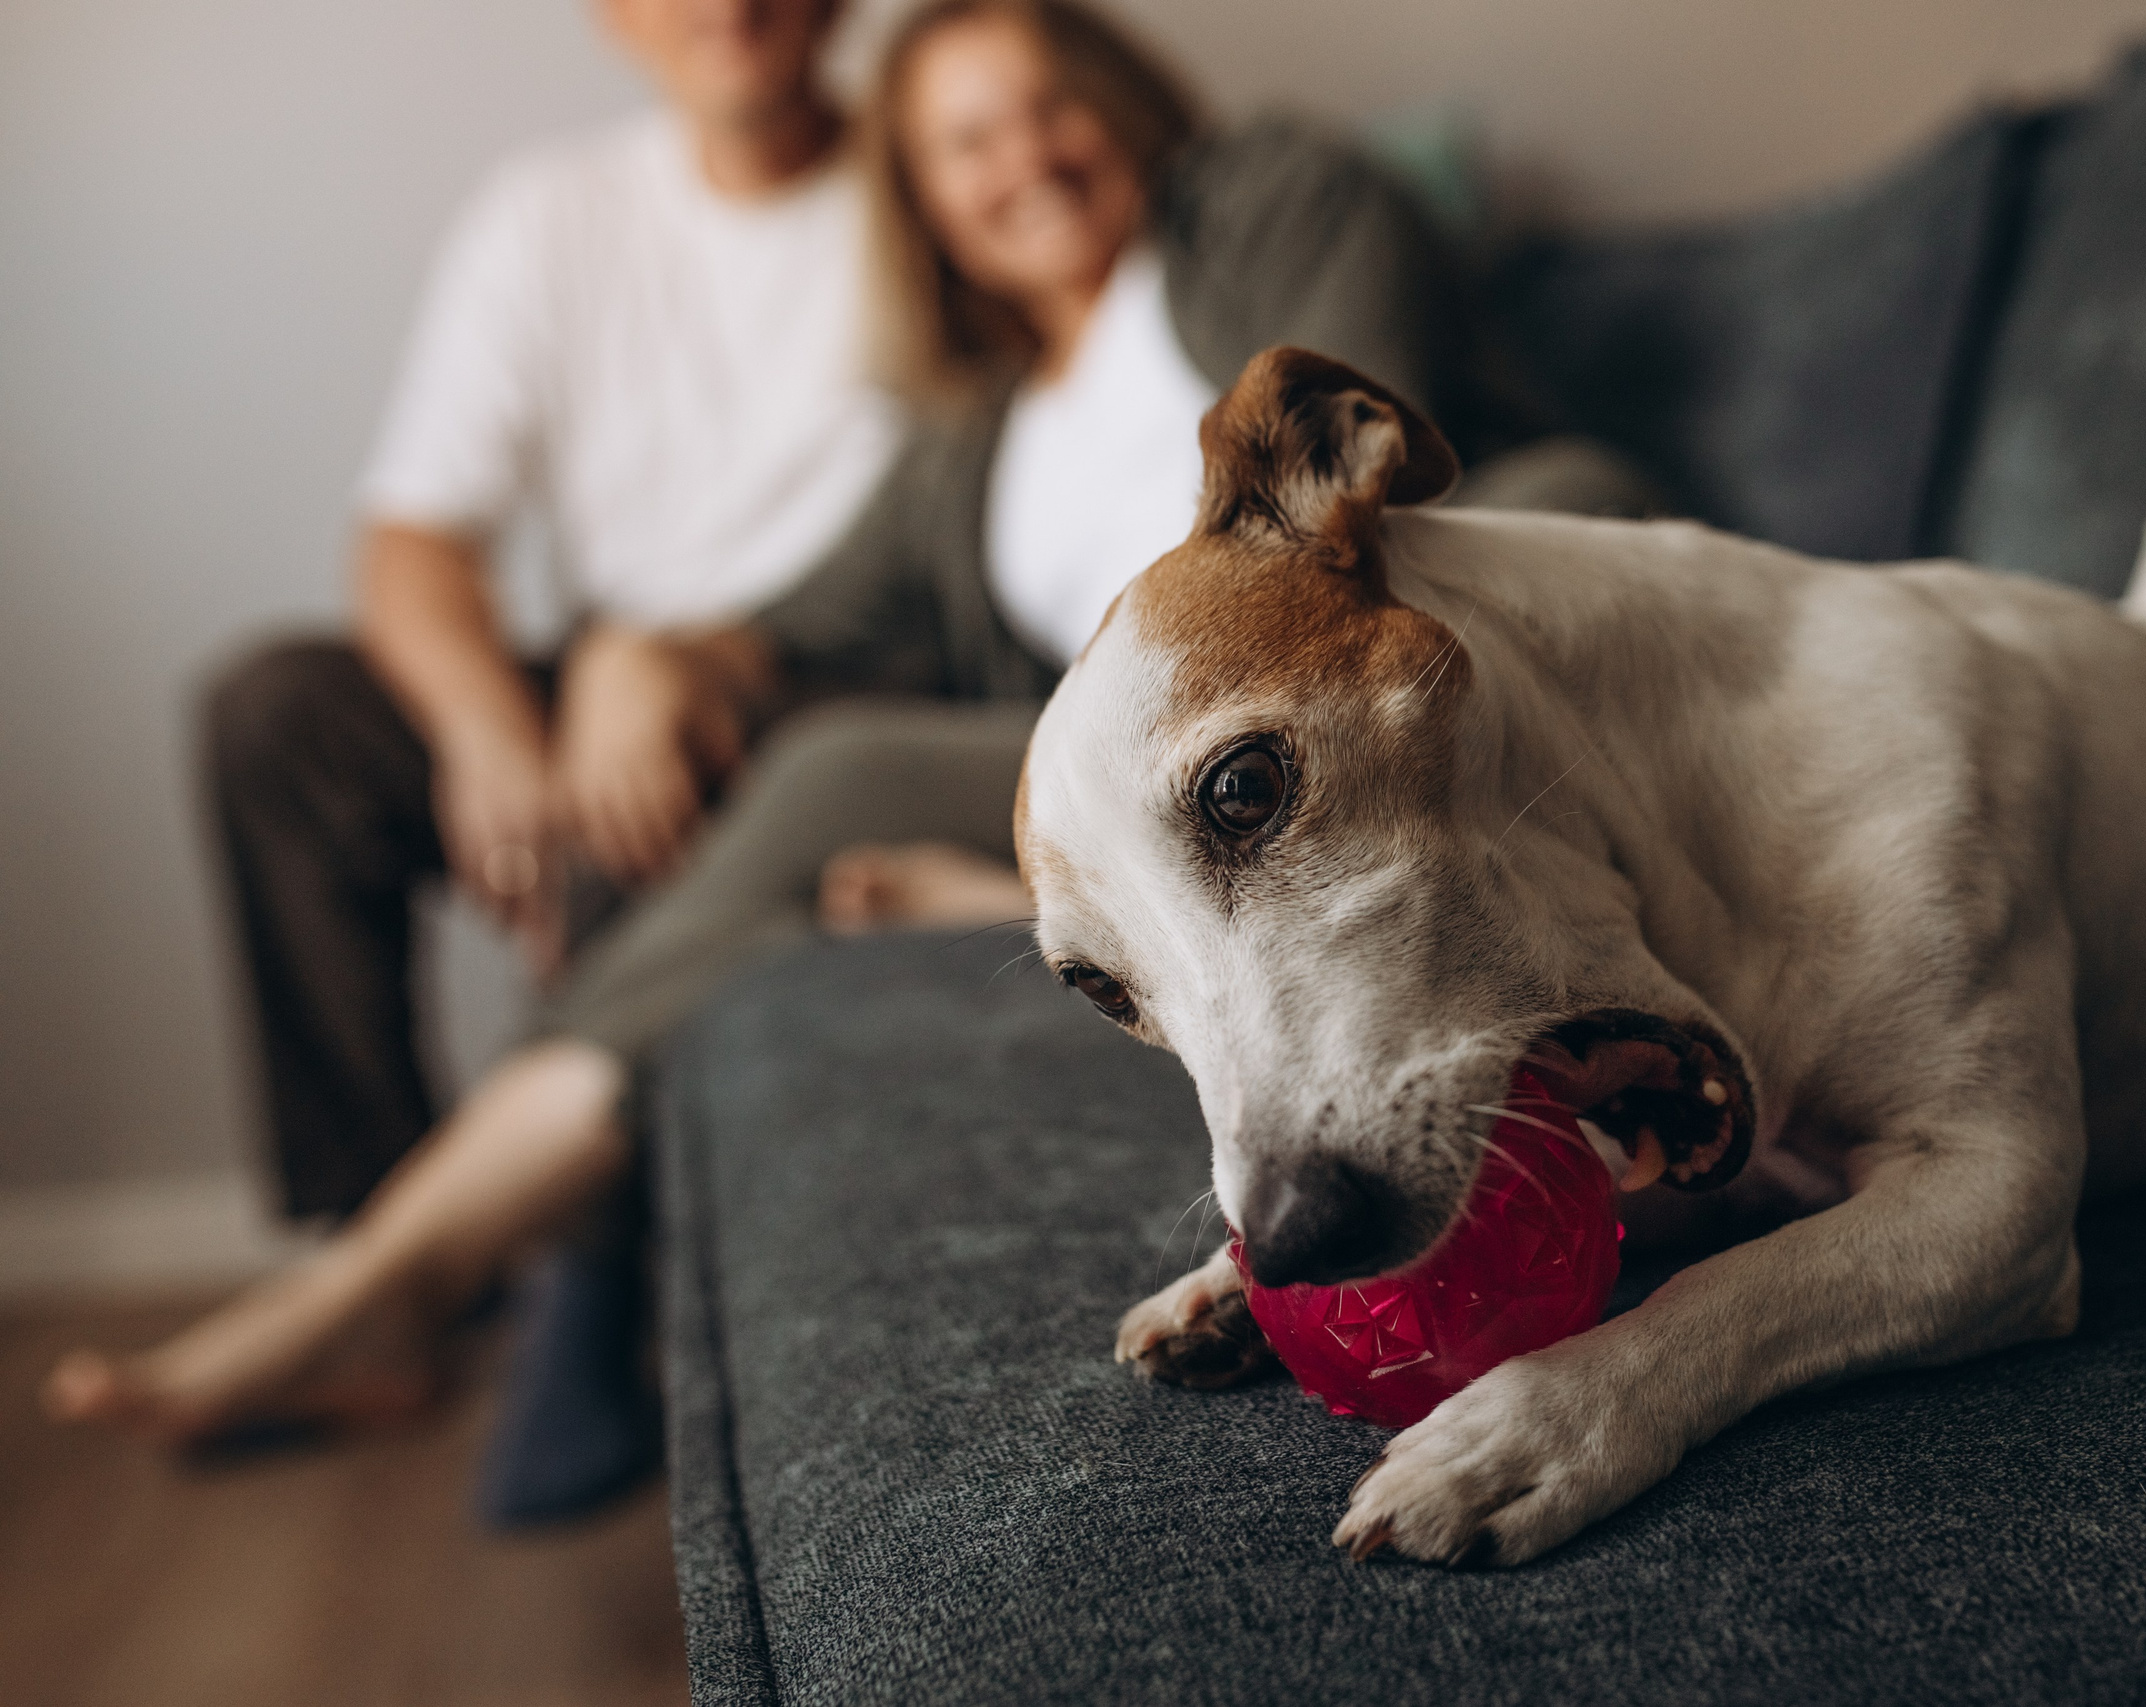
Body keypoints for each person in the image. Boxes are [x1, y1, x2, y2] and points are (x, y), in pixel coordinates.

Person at [45, 0, 1649, 1456]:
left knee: (842, 769)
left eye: (1043, 104)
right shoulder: (981, 426)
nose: (1017, 157)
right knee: (524, 734)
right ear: (928, 204)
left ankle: (432, 1254)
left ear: (1116, 94)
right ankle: (408, 1257)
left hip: (1298, 712)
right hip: (1117, 778)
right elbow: (807, 609)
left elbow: (1338, 478)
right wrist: (644, 656)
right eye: (962, 143)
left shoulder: (1268, 196)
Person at [201, 0, 898, 1223]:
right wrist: (492, 737)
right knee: (277, 717)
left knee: (645, 805)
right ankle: (365, 1234)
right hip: (601, 677)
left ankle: (554, 1256)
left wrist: (665, 672)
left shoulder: (930, 184)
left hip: (830, 684)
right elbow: (413, 535)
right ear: (612, 14)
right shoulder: (551, 213)